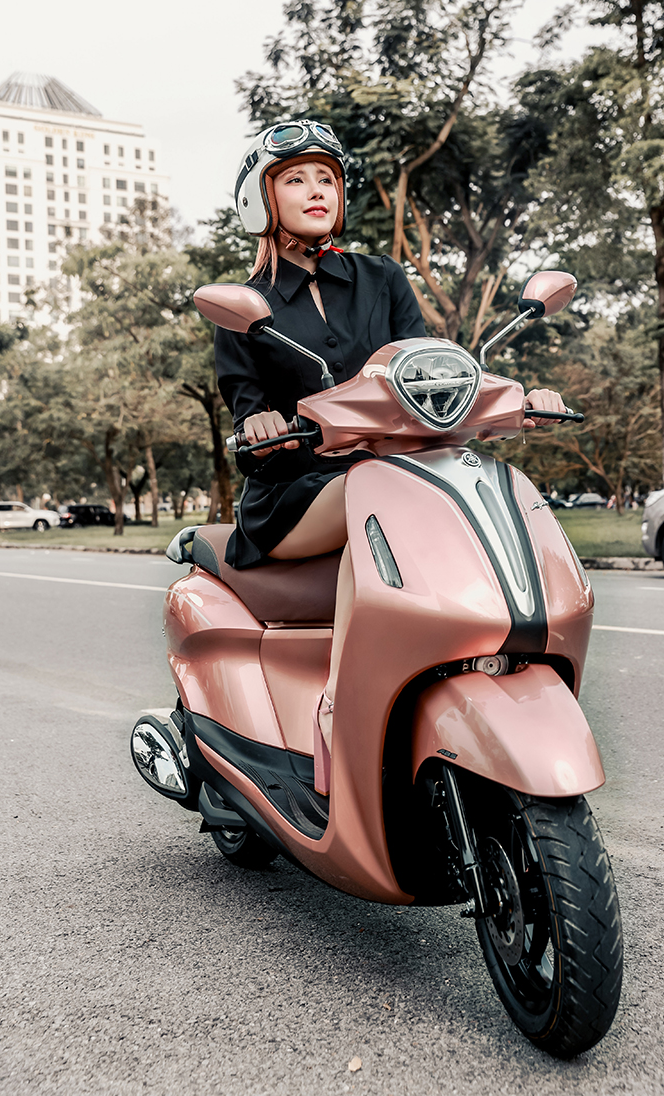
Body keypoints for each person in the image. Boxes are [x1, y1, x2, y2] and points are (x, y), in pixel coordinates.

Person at [214, 119, 566, 794]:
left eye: (327, 178)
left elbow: (427, 372)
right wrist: (260, 423)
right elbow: (247, 412)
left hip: (398, 472)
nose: (316, 190)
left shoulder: (381, 278)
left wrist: (520, 399)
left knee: (460, 487)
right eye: (296, 179)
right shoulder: (245, 308)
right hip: (298, 490)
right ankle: (342, 705)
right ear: (261, 199)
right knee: (369, 494)